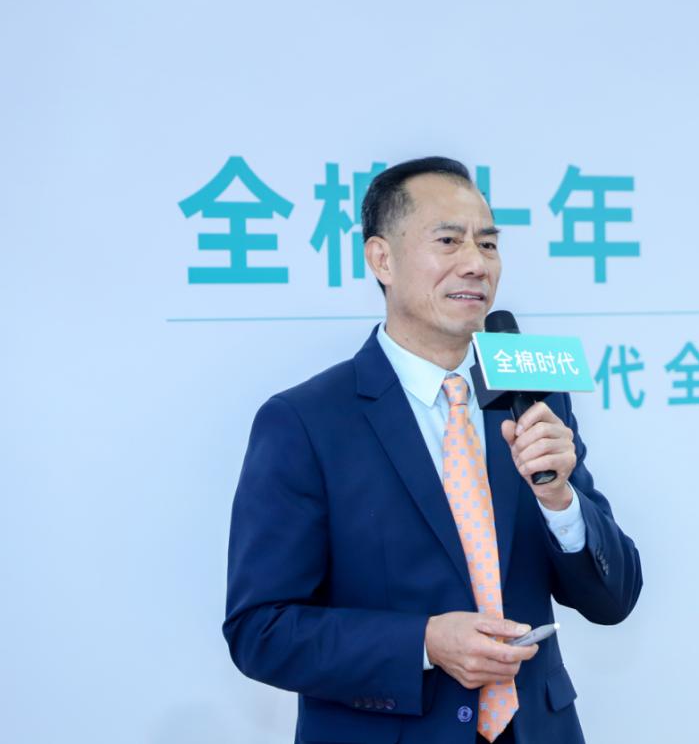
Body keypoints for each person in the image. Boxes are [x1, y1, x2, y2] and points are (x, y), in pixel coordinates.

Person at [223, 156, 643, 744]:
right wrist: (422, 643)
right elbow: (260, 630)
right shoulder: (305, 422)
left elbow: (613, 598)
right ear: (382, 259)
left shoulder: (529, 398)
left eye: (488, 244)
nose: (476, 263)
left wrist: (559, 500)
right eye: (448, 241)